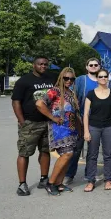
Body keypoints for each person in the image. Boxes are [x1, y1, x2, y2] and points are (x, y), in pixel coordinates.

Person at [11, 56, 56, 196]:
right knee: (24, 152)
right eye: (40, 64)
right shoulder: (24, 81)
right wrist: (22, 121)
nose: (43, 66)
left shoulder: (51, 79)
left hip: (47, 122)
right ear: (34, 65)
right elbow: (16, 102)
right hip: (30, 123)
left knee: (45, 151)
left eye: (45, 64)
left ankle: (44, 178)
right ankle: (22, 184)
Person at [36, 67, 81, 196]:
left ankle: (59, 183)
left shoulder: (71, 93)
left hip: (71, 129)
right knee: (66, 154)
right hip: (59, 130)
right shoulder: (55, 91)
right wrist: (52, 117)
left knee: (68, 156)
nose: (69, 81)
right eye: (66, 78)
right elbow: (40, 103)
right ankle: (50, 183)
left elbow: (75, 113)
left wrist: (80, 129)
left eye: (72, 79)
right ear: (61, 78)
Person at [64, 58, 100, 185]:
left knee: (93, 150)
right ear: (87, 67)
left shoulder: (103, 80)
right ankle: (69, 174)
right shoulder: (81, 80)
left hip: (96, 121)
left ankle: (90, 174)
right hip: (80, 119)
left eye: (96, 65)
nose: (94, 67)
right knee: (76, 149)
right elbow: (73, 97)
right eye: (91, 65)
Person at [82, 68, 111, 192]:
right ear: (97, 78)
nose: (103, 78)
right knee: (92, 154)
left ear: (108, 78)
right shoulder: (91, 93)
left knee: (108, 154)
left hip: (108, 127)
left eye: (105, 76)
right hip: (93, 127)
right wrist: (86, 131)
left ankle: (108, 179)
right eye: (100, 76)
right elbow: (85, 114)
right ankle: (91, 180)